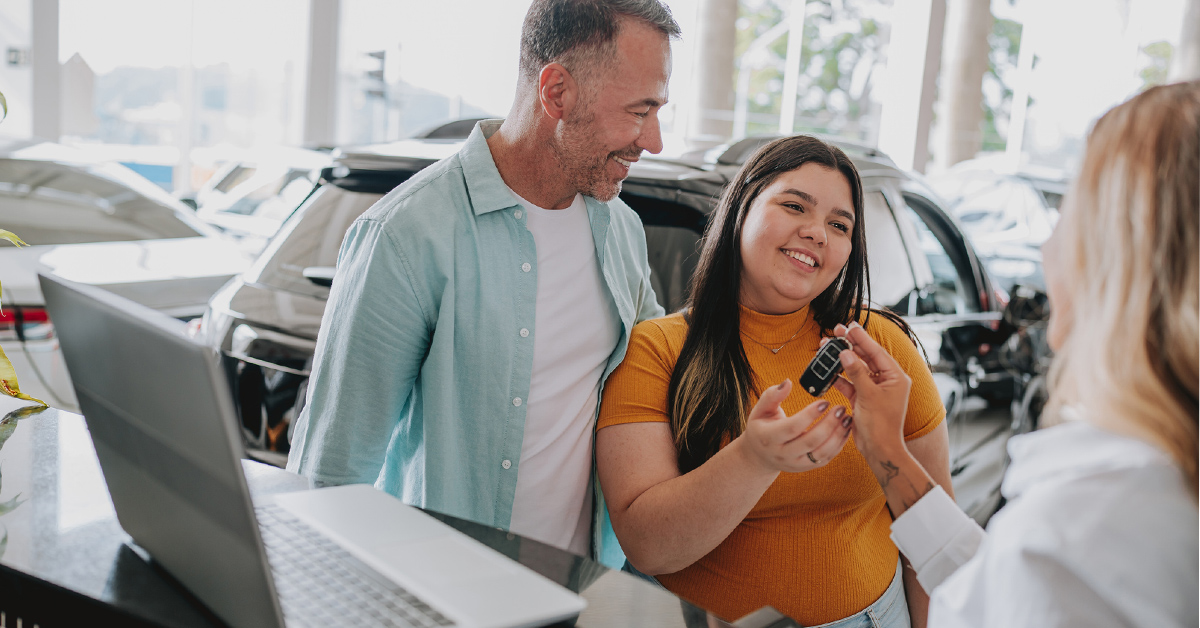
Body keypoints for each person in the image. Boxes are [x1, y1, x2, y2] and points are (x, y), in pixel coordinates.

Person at [287, 0, 679, 559]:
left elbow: (659, 376)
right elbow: (332, 471)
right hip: (445, 594)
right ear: (557, 92)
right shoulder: (408, 234)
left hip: (583, 594)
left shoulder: (622, 230)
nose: (654, 140)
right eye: (640, 111)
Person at [835, 80, 1199, 627]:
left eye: (1069, 212)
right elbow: (1000, 590)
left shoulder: (1081, 532)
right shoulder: (1136, 501)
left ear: (1119, 261)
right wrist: (888, 453)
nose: (1049, 248)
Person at [595, 135, 954, 627]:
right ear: (742, 207)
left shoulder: (880, 346)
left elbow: (934, 536)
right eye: (794, 206)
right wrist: (753, 459)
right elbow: (647, 547)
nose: (817, 233)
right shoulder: (656, 350)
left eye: (839, 224)